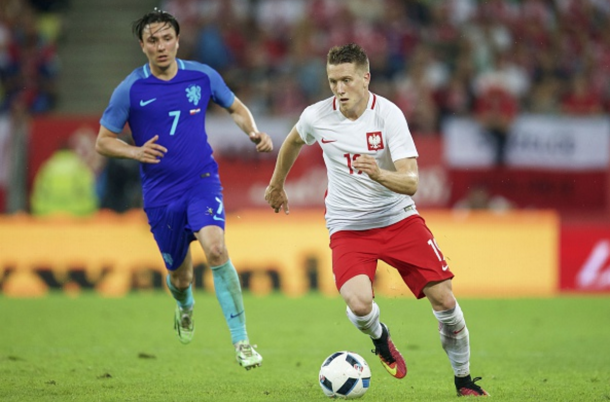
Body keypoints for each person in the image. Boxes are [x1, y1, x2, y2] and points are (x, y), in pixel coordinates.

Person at [264, 43, 488, 396]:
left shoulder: (389, 116)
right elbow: (293, 141)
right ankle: (381, 339)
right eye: (332, 81)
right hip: (349, 228)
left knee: (445, 300)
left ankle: (464, 380)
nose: (339, 90)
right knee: (359, 303)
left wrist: (378, 174)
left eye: (347, 80)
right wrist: (277, 185)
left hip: (397, 220)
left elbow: (411, 181)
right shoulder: (316, 116)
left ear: (365, 78)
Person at [95, 9, 271, 370]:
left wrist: (252, 131)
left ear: (177, 40)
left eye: (166, 38)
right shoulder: (131, 88)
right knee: (180, 275)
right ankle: (185, 304)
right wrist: (134, 151)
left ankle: (242, 342)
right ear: (142, 46)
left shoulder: (201, 76)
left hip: (200, 181)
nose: (161, 46)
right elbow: (103, 141)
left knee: (217, 249)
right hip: (161, 195)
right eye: (153, 41)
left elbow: (235, 107)